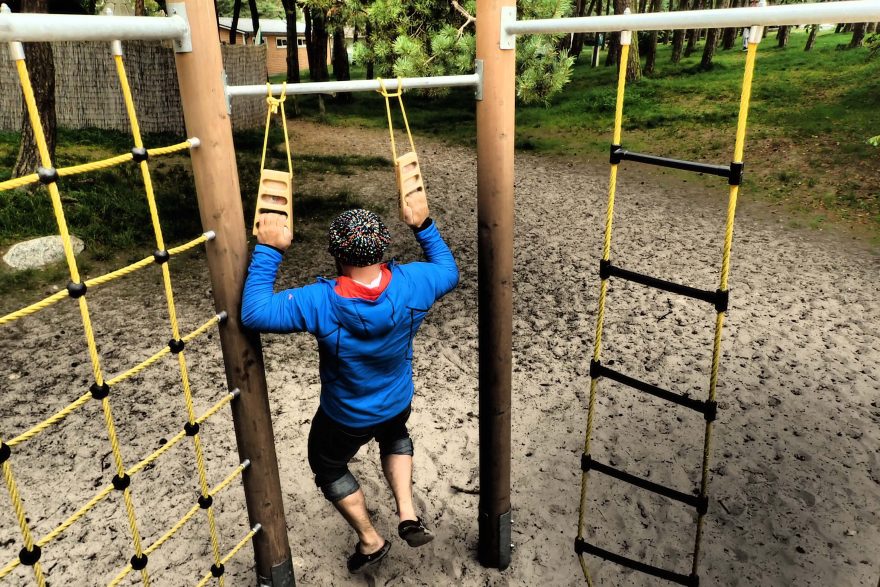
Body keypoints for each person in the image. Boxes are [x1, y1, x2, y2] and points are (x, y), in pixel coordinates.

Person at [240, 195, 458, 574]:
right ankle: (407, 513)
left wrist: (269, 249)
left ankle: (371, 540)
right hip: (397, 399)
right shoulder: (417, 281)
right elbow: (449, 270)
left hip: (347, 416)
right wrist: (423, 225)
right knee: (394, 434)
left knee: (327, 465)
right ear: (384, 245)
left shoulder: (320, 301)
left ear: (336, 253)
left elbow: (254, 312)